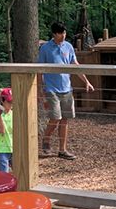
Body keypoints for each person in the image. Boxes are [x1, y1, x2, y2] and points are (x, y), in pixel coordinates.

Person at [37, 21, 94, 160]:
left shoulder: (68, 47)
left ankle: (62, 150)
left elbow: (75, 66)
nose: (63, 36)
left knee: (65, 119)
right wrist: (41, 92)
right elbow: (39, 70)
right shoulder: (45, 48)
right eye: (60, 33)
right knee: (55, 118)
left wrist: (86, 82)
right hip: (51, 89)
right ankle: (46, 138)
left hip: (67, 89)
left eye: (64, 33)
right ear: (54, 34)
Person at [0, 87, 13, 172]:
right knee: (4, 176)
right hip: (2, 150)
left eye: (12, 102)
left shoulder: (14, 114)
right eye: (9, 102)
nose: (11, 104)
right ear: (2, 101)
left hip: (14, 148)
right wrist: (0, 116)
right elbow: (2, 131)